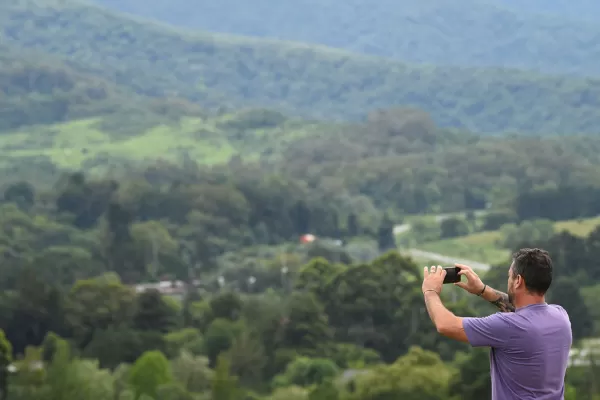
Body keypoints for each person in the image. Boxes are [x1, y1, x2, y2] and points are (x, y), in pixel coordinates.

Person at [422, 248, 572, 400]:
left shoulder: (508, 326)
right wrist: (482, 290)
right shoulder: (561, 317)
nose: (509, 280)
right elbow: (524, 311)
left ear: (518, 281)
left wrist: (430, 291)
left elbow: (445, 325)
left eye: (509, 276)